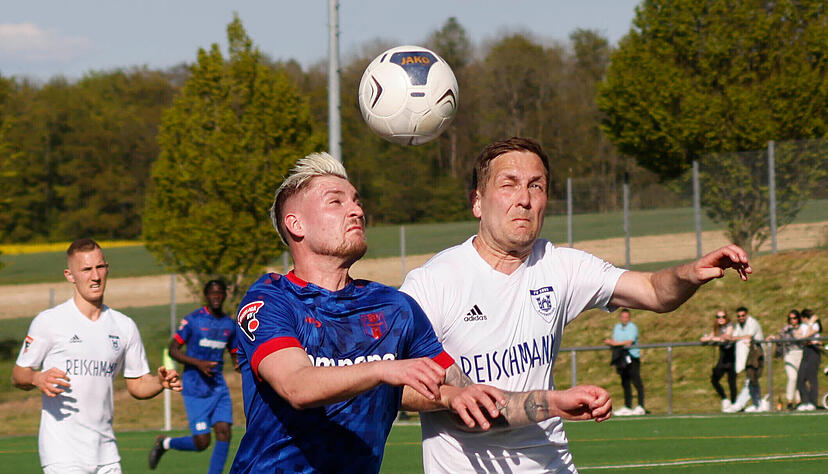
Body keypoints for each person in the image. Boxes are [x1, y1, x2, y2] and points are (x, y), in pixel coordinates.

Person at [229, 152, 612, 474]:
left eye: (357, 200)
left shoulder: (394, 309)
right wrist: (385, 369)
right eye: (336, 202)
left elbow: (466, 393)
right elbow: (297, 387)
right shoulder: (270, 300)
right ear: (295, 224)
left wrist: (553, 402)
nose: (357, 209)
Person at [400, 137, 752, 472]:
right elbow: (395, 385)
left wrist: (691, 273)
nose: (524, 199)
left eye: (536, 186)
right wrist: (450, 396)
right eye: (509, 184)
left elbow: (653, 291)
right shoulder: (433, 283)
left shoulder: (560, 266)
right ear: (477, 201)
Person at [11, 238, 182, 474]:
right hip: (62, 453)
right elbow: (18, 374)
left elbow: (137, 384)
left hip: (106, 453)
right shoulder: (49, 321)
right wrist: (37, 378)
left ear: (107, 269)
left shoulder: (124, 326)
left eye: (100, 267)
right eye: (86, 269)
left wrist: (159, 383)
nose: (95, 276)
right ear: (70, 275)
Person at [148, 279, 238, 473]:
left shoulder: (229, 325)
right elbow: (173, 349)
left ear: (224, 295)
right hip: (195, 388)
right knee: (202, 442)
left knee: (224, 433)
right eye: (212, 293)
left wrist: (240, 365)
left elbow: (234, 352)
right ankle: (165, 443)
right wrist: (199, 364)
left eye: (220, 292)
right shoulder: (193, 320)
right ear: (206, 296)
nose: (216, 296)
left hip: (218, 387)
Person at [725, 306, 767, 413]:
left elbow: (749, 336)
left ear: (747, 315)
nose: (741, 318)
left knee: (750, 379)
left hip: (757, 353)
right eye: (739, 316)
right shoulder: (739, 325)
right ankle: (758, 404)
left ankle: (739, 404)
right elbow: (733, 336)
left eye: (743, 315)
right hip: (749, 355)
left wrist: (734, 338)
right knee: (752, 380)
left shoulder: (752, 322)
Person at [603, 308, 645, 415]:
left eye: (626, 317)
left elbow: (629, 342)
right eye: (623, 317)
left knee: (636, 381)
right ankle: (628, 406)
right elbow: (616, 340)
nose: (624, 319)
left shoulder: (633, 327)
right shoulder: (617, 327)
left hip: (632, 357)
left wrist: (615, 343)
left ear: (629, 318)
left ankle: (641, 406)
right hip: (621, 357)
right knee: (625, 382)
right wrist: (612, 342)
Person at [766, 310, 803, 410]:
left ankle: (799, 401)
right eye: (790, 318)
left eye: (794, 318)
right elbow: (779, 337)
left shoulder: (802, 327)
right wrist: (772, 337)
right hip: (790, 354)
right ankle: (790, 401)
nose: (792, 320)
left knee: (800, 378)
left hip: (801, 353)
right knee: (792, 377)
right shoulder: (786, 329)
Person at [701, 310, 737, 411]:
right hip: (723, 356)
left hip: (732, 356)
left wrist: (712, 339)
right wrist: (706, 338)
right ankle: (725, 399)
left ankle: (734, 404)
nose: (721, 319)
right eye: (718, 317)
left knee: (731, 382)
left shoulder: (730, 325)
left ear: (726, 317)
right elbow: (711, 337)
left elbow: (726, 338)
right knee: (714, 379)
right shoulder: (717, 328)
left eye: (723, 317)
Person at [796, 308, 822, 411]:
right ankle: (805, 401)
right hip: (806, 350)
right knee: (800, 378)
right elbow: (797, 335)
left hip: (814, 351)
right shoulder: (803, 326)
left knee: (812, 377)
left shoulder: (815, 325)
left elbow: (808, 335)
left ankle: (813, 402)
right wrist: (803, 336)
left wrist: (810, 324)